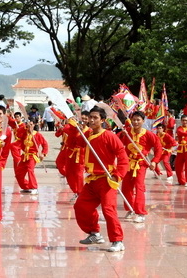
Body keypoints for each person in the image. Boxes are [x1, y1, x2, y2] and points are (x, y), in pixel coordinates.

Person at [73, 106, 129, 252]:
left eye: (95, 118)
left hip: (106, 179)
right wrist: (76, 127)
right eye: (90, 117)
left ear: (103, 120)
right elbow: (78, 142)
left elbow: (122, 156)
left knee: (108, 210)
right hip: (92, 181)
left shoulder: (109, 136)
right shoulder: (88, 134)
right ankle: (94, 233)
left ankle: (118, 241)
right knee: (81, 206)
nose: (91, 120)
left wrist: (118, 176)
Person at [119, 111, 162, 223]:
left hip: (140, 164)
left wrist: (154, 161)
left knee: (139, 187)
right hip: (128, 164)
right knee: (126, 188)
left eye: (138, 120)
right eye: (134, 120)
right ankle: (130, 208)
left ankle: (140, 212)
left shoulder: (149, 134)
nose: (136, 122)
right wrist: (121, 135)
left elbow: (158, 148)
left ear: (143, 121)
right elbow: (116, 143)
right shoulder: (127, 132)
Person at [15, 118, 48, 194]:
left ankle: (34, 187)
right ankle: (26, 187)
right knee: (18, 173)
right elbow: (18, 133)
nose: (29, 126)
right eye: (28, 124)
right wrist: (24, 127)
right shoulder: (24, 133)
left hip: (32, 156)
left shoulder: (38, 135)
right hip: (24, 156)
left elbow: (45, 144)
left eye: (31, 124)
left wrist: (43, 153)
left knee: (30, 170)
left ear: (34, 125)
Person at [65, 111, 90, 202]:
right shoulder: (72, 128)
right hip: (71, 154)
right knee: (68, 173)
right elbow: (66, 131)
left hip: (81, 155)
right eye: (82, 118)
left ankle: (80, 193)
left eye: (85, 119)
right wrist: (75, 129)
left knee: (79, 175)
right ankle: (75, 191)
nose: (83, 120)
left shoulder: (89, 131)